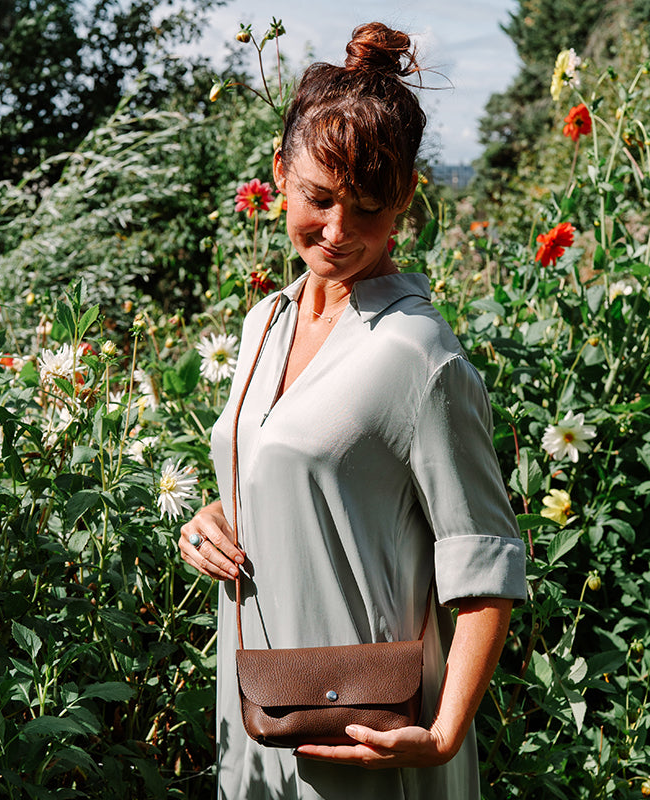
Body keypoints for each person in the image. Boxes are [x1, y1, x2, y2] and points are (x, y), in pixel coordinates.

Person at [178, 22, 527, 800]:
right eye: (319, 198)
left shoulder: (419, 356)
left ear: (404, 199)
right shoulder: (264, 322)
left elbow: (487, 564)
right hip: (256, 709)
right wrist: (216, 516)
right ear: (280, 173)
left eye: (367, 208)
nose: (337, 232)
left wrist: (442, 736)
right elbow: (306, 472)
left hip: (372, 738)